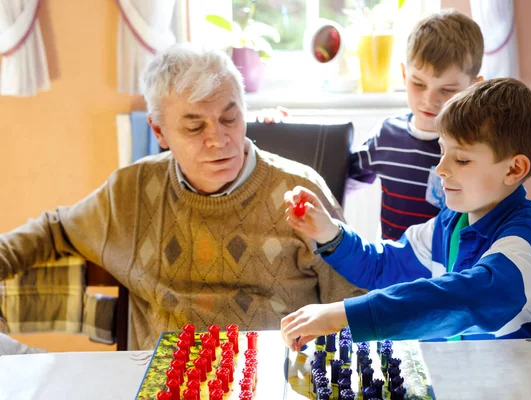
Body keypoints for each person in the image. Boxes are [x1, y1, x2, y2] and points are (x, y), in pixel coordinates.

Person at [0, 43, 364, 351]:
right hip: (168, 380)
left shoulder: (300, 191)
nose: (218, 140)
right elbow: (56, 229)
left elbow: (355, 303)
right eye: (194, 126)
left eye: (229, 118)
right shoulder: (132, 192)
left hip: (274, 376)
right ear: (159, 131)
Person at [281, 78, 531, 350]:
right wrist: (328, 232)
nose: (441, 169)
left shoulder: (528, 239)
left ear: (514, 169)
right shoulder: (450, 223)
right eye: (442, 152)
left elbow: (464, 298)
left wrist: (342, 316)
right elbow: (382, 265)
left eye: (462, 159)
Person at [348, 10, 484, 241]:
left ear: (474, 87)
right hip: (392, 269)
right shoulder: (385, 137)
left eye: (448, 89)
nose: (430, 100)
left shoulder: (474, 149)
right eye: (419, 84)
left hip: (448, 273)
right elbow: (332, 181)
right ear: (403, 74)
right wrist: (277, 128)